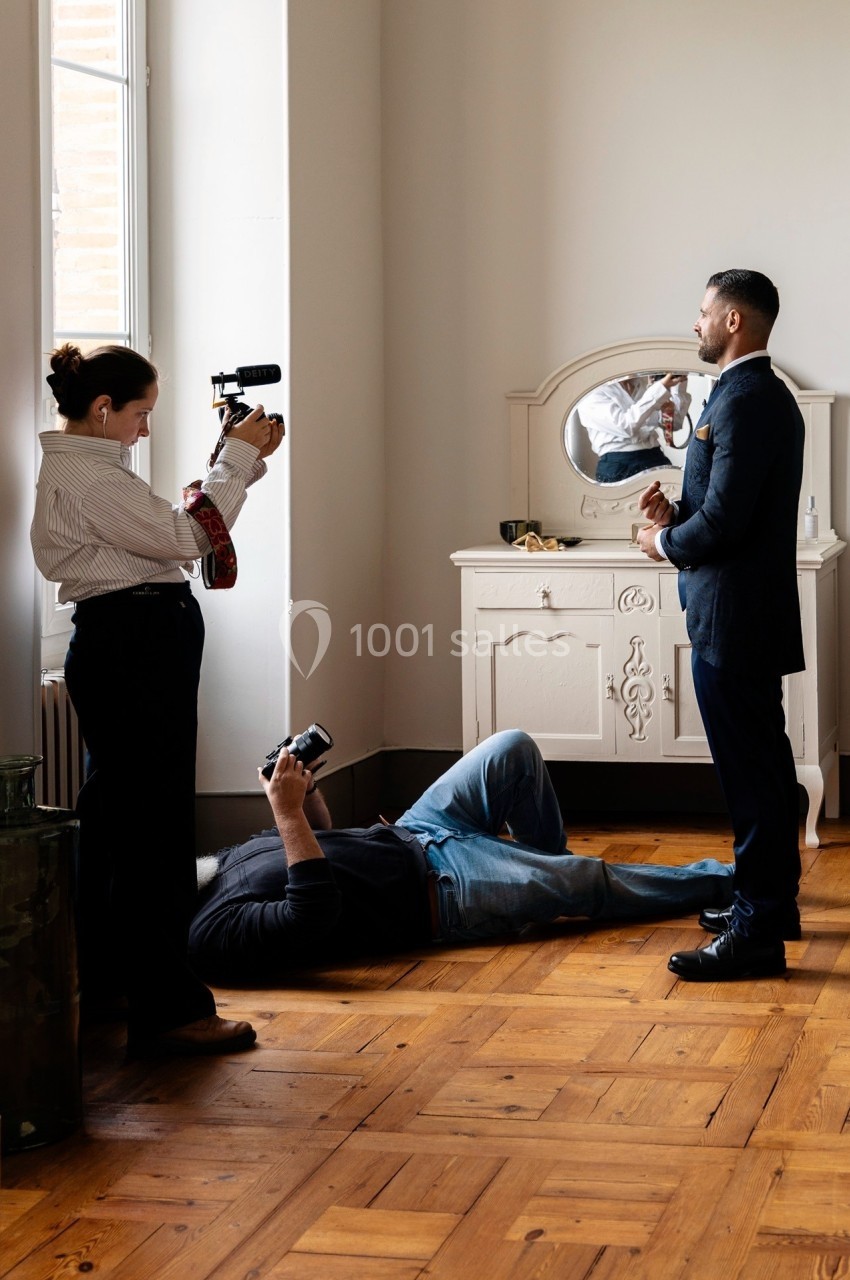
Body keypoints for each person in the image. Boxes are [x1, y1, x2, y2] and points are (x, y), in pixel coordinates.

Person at [31, 343, 284, 1056]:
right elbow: (184, 537)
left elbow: (177, 538)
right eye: (141, 415)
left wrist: (236, 467)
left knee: (117, 823)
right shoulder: (92, 479)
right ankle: (170, 1013)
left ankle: (110, 984)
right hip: (137, 641)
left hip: (126, 639)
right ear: (105, 408)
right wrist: (233, 463)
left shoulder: (90, 471)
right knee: (154, 829)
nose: (145, 430)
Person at [188, 729, 733, 986]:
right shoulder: (209, 936)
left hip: (414, 833)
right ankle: (734, 881)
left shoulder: (213, 870)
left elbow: (322, 855)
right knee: (591, 881)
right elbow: (313, 912)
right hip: (442, 893)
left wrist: (307, 803)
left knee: (512, 749)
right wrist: (285, 817)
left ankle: (544, 874)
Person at [636, 269, 804, 982]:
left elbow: (730, 523)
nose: (696, 323)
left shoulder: (749, 398)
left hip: (735, 622)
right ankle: (769, 901)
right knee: (761, 765)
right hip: (737, 616)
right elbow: (725, 508)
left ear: (734, 320)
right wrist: (674, 514)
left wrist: (661, 545)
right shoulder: (749, 396)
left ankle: (758, 930)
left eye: (704, 313)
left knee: (750, 774)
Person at [579, 373, 691, 482]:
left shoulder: (642, 384)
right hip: (619, 465)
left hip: (656, 457)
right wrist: (660, 388)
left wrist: (678, 385)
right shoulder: (592, 392)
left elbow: (674, 424)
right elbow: (626, 427)